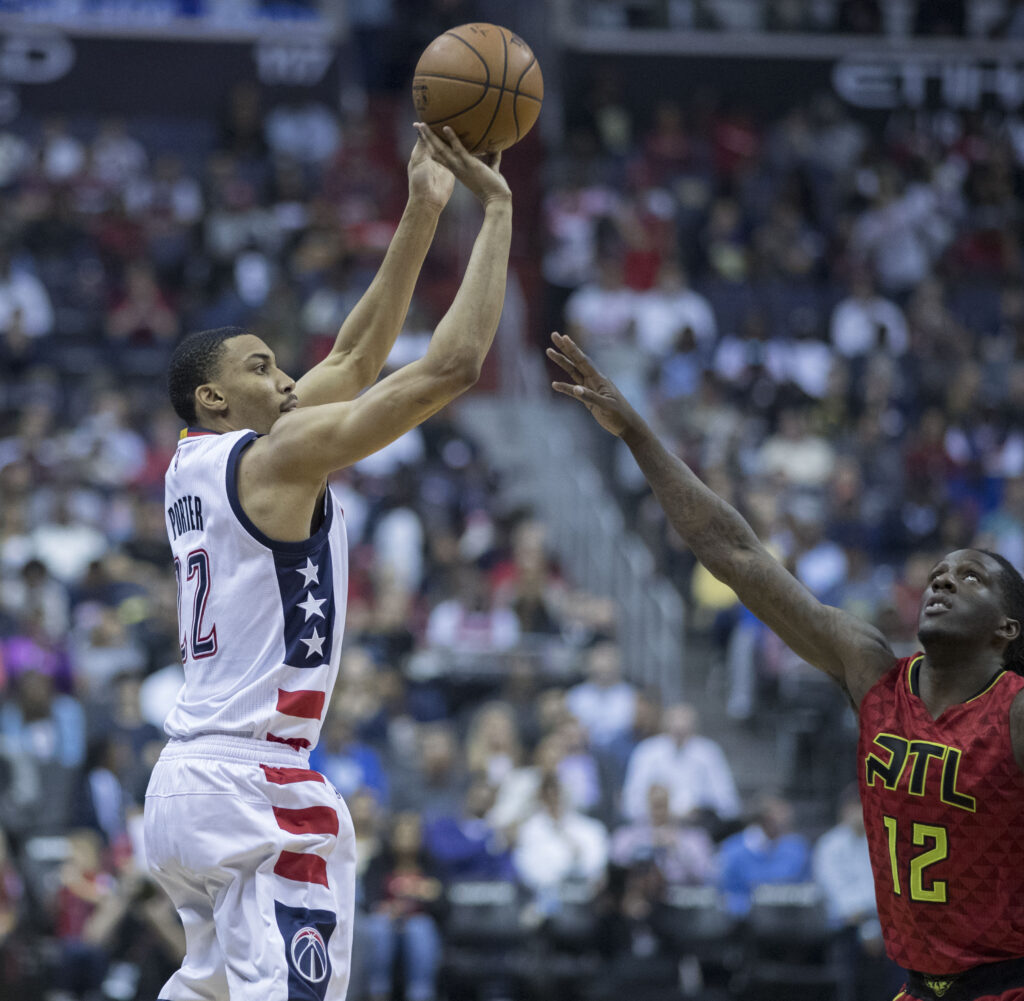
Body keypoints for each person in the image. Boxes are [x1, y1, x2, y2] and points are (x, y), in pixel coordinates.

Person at [143, 125, 513, 1001]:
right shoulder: (271, 460)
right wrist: (494, 212)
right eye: (263, 368)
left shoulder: (193, 467)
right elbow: (451, 367)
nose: (286, 380)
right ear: (213, 395)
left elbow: (353, 358)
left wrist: (421, 209)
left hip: (183, 789)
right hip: (255, 782)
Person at [547, 330, 1024, 1001]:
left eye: (970, 577)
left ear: (1007, 628)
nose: (944, 580)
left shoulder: (1015, 707)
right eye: (940, 572)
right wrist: (636, 433)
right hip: (914, 988)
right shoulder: (872, 672)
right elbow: (736, 553)